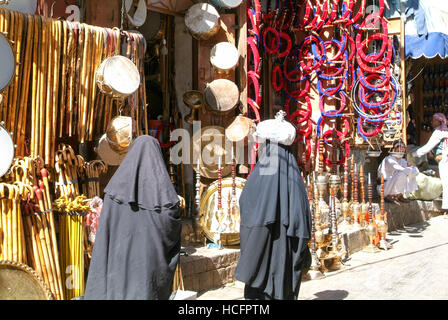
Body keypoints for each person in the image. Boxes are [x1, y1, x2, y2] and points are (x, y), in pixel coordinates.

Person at [84, 135, 182, 300]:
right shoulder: (166, 200)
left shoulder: (113, 194)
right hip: (148, 278)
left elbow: (103, 242)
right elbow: (170, 228)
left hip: (118, 273)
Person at [235, 111, 312, 300]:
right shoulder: (293, 174)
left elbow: (248, 205)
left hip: (263, 250)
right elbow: (302, 221)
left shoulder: (263, 170)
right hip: (285, 254)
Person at [412, 113, 448, 211]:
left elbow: (428, 146)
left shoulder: (439, 132)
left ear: (438, 121)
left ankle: (446, 206)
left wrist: (415, 154)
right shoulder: (445, 131)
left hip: (444, 158)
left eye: (433, 120)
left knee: (446, 182)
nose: (431, 122)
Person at [378, 139, 419, 204]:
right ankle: (390, 196)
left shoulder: (402, 160)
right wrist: (408, 168)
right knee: (402, 174)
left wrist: (411, 167)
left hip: (390, 186)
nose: (401, 151)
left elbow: (412, 168)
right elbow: (399, 168)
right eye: (399, 149)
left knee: (409, 173)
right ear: (393, 150)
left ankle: (399, 195)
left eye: (402, 150)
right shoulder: (389, 159)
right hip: (384, 188)